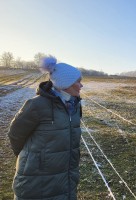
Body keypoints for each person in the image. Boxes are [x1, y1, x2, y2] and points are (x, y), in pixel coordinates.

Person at [7, 56, 83, 199]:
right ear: (65, 83)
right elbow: (15, 135)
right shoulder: (37, 105)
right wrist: (32, 159)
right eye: (78, 82)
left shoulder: (75, 106)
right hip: (37, 180)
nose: (81, 85)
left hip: (66, 178)